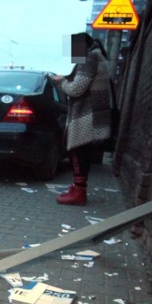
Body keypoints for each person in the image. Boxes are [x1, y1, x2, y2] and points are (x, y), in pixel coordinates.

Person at [51, 32, 112, 205]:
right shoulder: (97, 56)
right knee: (81, 152)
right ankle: (77, 187)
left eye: (72, 50)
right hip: (92, 113)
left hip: (86, 114)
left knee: (78, 151)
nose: (71, 54)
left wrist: (61, 82)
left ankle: (79, 192)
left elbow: (76, 89)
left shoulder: (89, 58)